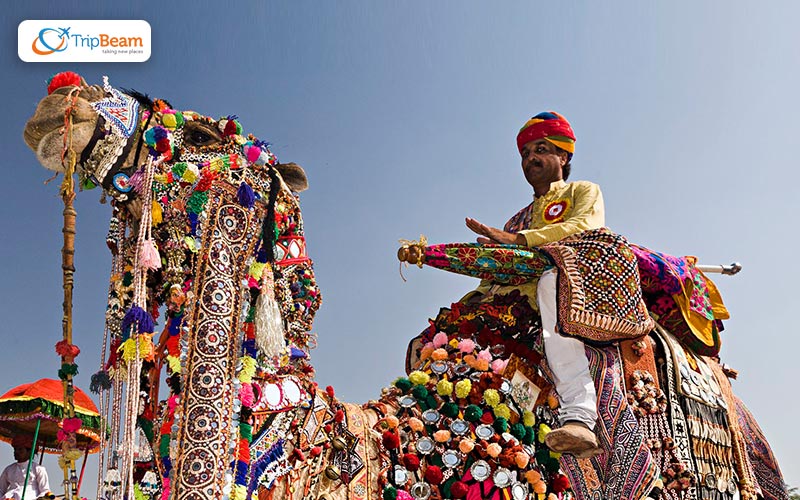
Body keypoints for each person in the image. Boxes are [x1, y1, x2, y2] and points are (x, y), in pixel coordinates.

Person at [465, 111, 604, 458]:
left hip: (568, 289)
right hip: (514, 308)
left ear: (564, 156)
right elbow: (493, 276)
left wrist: (519, 240)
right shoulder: (516, 219)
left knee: (549, 280)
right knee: (454, 327)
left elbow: (584, 226)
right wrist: (472, 299)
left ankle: (579, 415)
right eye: (526, 154)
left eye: (541, 149)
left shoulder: (582, 191)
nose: (531, 159)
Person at [0, 435, 51, 500]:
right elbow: (1, 489)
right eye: (15, 449)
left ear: (29, 452)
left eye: (20, 449)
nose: (16, 452)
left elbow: (45, 491)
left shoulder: (38, 469)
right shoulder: (9, 469)